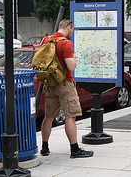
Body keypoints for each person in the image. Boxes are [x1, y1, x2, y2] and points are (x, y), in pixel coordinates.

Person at [40, 19, 94, 158]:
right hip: (65, 84)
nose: (71, 33)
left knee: (49, 117)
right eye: (72, 30)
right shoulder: (66, 43)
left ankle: (44, 148)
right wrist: (74, 58)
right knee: (71, 116)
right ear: (69, 28)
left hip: (50, 84)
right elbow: (71, 66)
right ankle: (75, 149)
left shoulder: (46, 40)